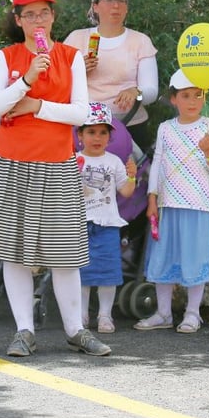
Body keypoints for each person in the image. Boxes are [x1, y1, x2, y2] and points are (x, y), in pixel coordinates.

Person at [0, 0, 111, 358]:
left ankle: (76, 330)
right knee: (12, 251)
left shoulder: (71, 57)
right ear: (18, 20)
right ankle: (24, 331)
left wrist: (36, 107)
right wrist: (26, 80)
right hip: (11, 162)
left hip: (57, 162)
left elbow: (81, 112)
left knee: (64, 253)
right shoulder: (6, 58)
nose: (38, 21)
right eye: (29, 15)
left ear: (53, 15)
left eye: (43, 13)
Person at [134, 69, 209, 334]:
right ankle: (163, 313)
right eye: (186, 96)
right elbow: (157, 163)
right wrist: (152, 198)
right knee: (164, 257)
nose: (193, 101)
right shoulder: (166, 129)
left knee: (194, 257)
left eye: (198, 95)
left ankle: (192, 313)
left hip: (198, 204)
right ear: (174, 99)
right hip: (167, 204)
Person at [63, 0, 158, 151]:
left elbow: (151, 91)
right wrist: (77, 71)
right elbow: (57, 84)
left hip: (130, 124)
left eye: (121, 0)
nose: (116, 5)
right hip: (86, 126)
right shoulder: (76, 38)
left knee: (130, 176)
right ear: (95, 7)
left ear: (127, 8)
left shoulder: (140, 41)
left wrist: (136, 92)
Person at [77, 102, 138, 334]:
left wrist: (131, 177)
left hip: (108, 226)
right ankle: (81, 315)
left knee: (107, 273)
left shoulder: (113, 162)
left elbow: (125, 191)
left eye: (103, 132)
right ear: (80, 134)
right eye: (91, 131)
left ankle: (104, 315)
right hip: (81, 225)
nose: (97, 137)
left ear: (109, 136)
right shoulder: (74, 160)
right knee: (81, 273)